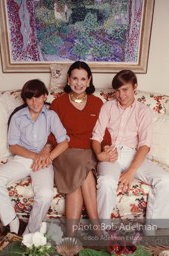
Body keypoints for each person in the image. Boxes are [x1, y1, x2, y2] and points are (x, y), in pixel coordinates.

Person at [47, 61, 117, 237]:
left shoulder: (96, 103)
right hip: (65, 153)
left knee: (80, 174)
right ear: (69, 80)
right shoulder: (58, 103)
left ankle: (71, 237)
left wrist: (107, 147)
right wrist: (47, 149)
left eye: (83, 79)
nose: (78, 83)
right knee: (81, 167)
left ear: (89, 81)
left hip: (88, 152)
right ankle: (96, 226)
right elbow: (51, 135)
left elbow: (102, 132)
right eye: (75, 78)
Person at [92, 69, 169, 228]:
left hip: (134, 154)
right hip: (111, 154)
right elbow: (96, 136)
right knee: (106, 182)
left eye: (125, 89)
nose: (121, 95)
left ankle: (152, 230)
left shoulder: (144, 111)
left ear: (135, 87)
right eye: (117, 91)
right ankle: (102, 231)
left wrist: (131, 171)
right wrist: (100, 154)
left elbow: (145, 144)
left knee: (165, 180)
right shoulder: (107, 107)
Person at [0, 79, 69, 236]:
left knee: (46, 194)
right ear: (25, 100)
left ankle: (29, 233)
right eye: (30, 98)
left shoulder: (51, 115)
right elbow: (13, 146)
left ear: (45, 96)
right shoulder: (18, 117)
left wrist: (48, 158)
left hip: (44, 161)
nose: (34, 102)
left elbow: (64, 142)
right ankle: (13, 223)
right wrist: (35, 156)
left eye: (38, 97)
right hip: (23, 158)